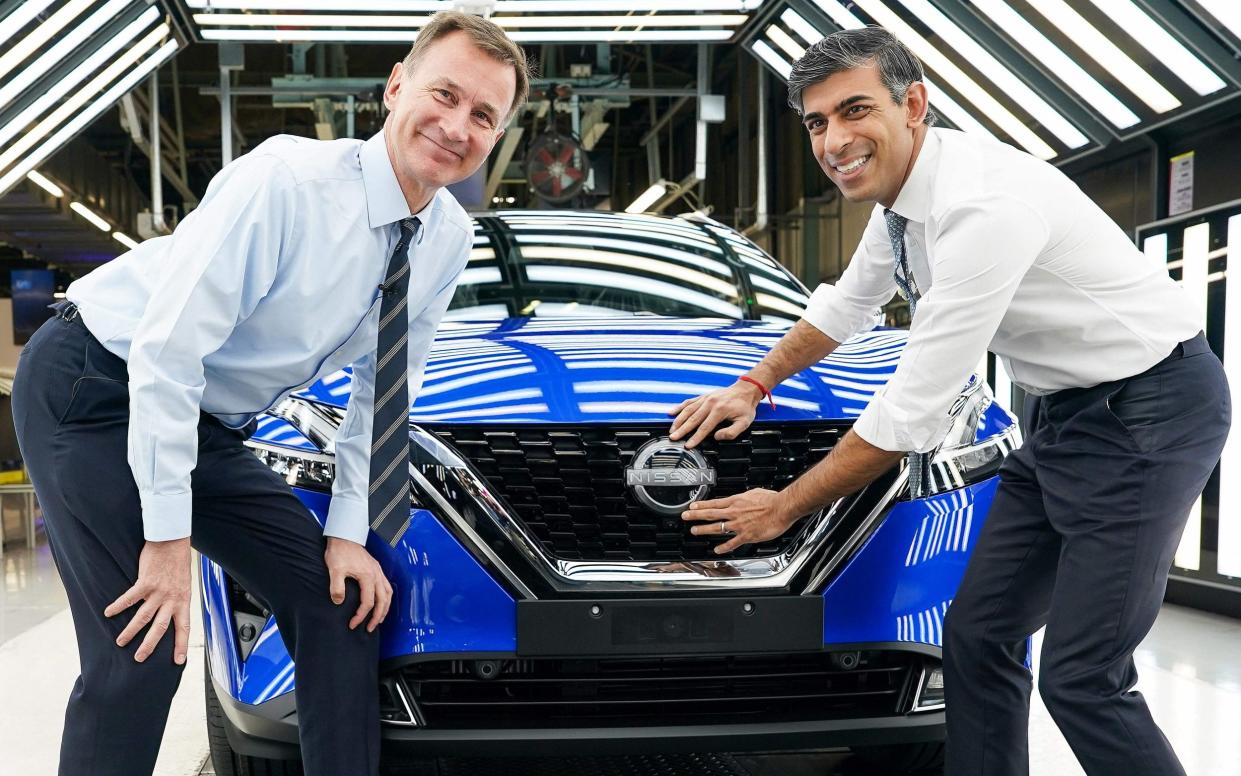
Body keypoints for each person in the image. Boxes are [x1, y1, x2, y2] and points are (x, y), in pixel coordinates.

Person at [668, 26, 1229, 776]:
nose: (834, 140)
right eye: (816, 122)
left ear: (914, 104)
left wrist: (785, 506)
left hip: (1149, 411)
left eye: (853, 110)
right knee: (977, 636)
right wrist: (753, 383)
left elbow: (912, 408)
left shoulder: (980, 207)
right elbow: (845, 306)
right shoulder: (900, 208)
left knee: (1083, 675)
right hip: (1064, 414)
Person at [10, 12, 528, 776]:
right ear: (394, 88)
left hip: (201, 420)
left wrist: (349, 534)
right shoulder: (288, 182)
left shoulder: (447, 236)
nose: (456, 126)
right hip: (96, 383)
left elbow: (384, 396)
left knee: (340, 606)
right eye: (443, 94)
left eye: (483, 114)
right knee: (146, 645)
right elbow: (167, 348)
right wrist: (166, 541)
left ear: (499, 132)